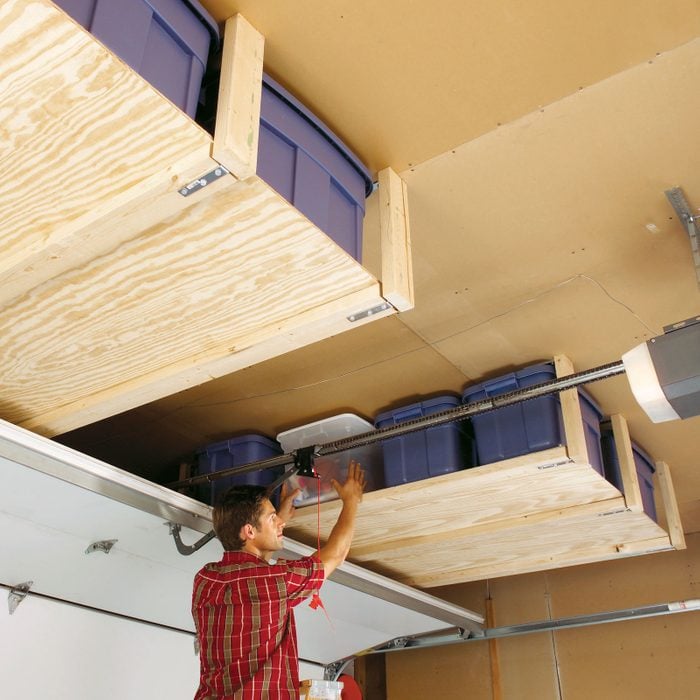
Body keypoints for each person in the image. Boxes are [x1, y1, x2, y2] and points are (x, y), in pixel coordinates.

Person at [192, 460, 366, 699]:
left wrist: (275, 523)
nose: (280, 522)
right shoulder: (270, 583)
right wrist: (352, 500)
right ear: (249, 531)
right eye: (272, 517)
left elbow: (256, 576)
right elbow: (335, 555)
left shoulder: (205, 580)